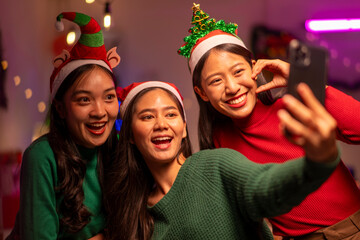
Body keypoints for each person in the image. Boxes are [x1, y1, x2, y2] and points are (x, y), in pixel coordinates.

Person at [177, 3, 360, 239]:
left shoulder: (293, 106)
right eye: (215, 81)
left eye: (238, 72)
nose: (232, 88)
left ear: (255, 68)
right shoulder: (219, 140)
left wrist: (301, 82)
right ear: (202, 93)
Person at [104, 80, 340, 240]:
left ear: (184, 129)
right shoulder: (134, 214)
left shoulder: (215, 166)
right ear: (131, 136)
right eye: (147, 117)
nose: (161, 124)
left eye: (171, 114)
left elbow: (266, 187)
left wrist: (317, 161)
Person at [6, 12, 121, 240]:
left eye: (109, 97)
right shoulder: (41, 156)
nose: (99, 112)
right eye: (84, 100)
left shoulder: (116, 150)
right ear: (60, 108)